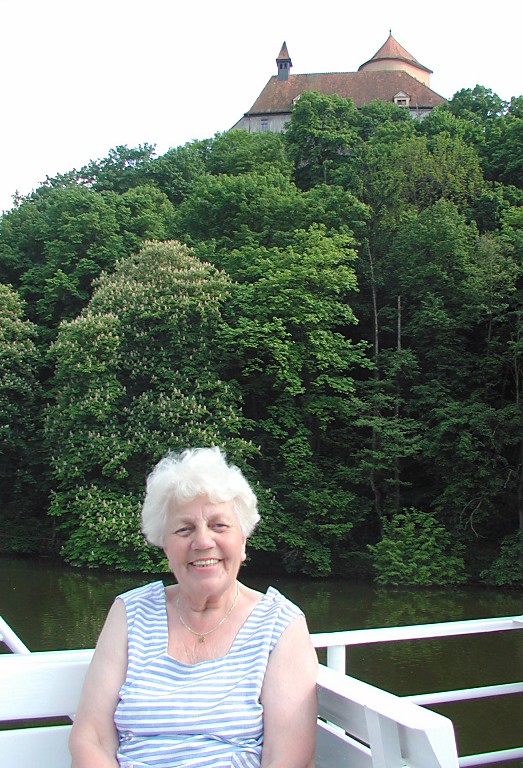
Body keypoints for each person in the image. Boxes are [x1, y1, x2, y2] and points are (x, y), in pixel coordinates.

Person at [69, 446, 318, 768]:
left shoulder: (280, 624)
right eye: (184, 529)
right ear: (165, 546)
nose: (202, 542)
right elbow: (92, 737)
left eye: (219, 526)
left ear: (243, 540)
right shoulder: (130, 612)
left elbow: (286, 757)